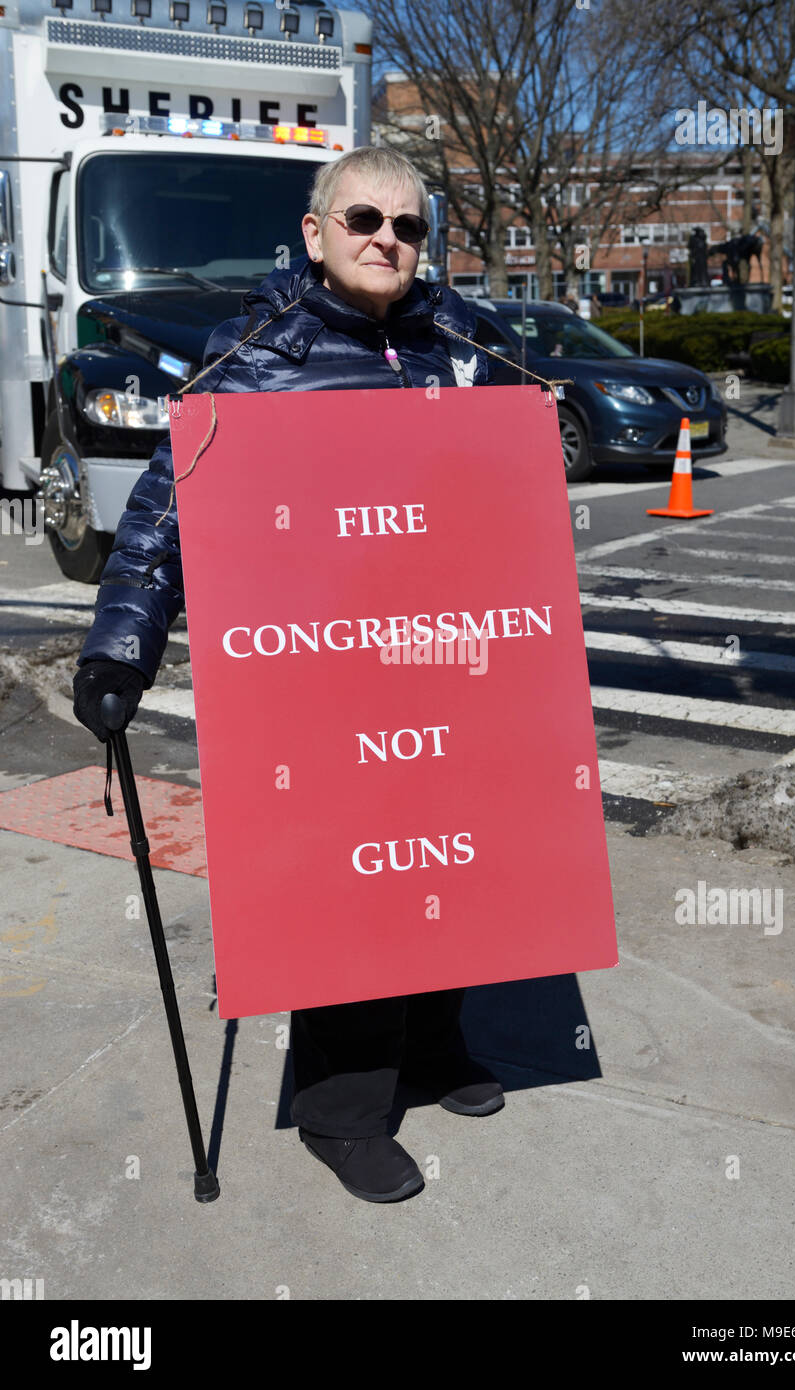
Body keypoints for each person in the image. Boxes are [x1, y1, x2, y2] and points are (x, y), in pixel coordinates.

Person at [72, 146, 504, 1206]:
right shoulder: (255, 354)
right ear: (314, 234)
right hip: (319, 679)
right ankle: (342, 1108)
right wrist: (120, 646)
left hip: (445, 666)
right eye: (362, 217)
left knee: (445, 866)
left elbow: (510, 495)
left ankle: (437, 1044)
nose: (386, 240)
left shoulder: (463, 342)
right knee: (351, 889)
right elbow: (162, 515)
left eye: (407, 225)